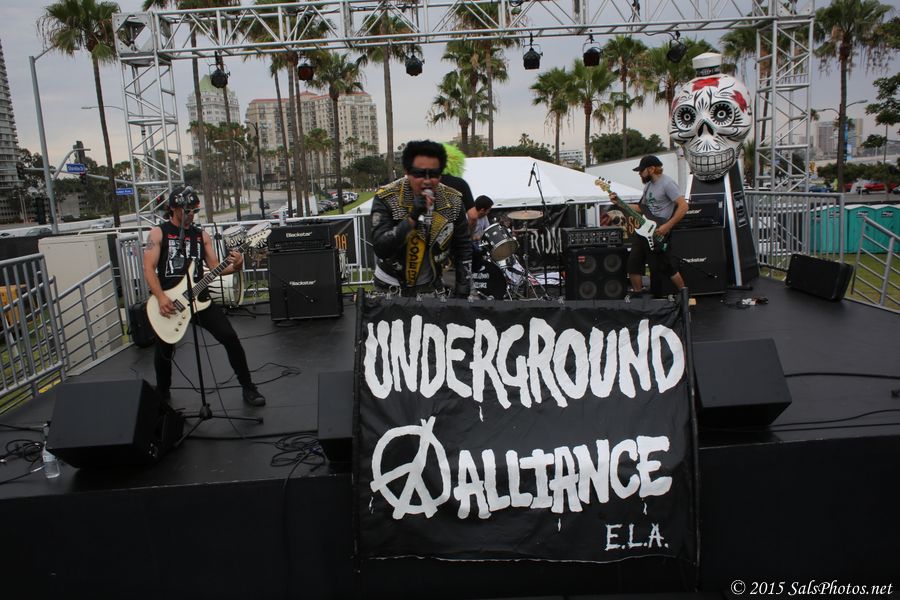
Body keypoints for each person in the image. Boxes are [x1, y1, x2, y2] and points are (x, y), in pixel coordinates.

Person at [143, 186, 265, 406]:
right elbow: (149, 268)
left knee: (229, 337)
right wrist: (161, 297)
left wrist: (238, 264)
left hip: (200, 298)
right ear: (173, 208)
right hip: (169, 301)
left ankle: (248, 387)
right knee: (164, 349)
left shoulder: (201, 236)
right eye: (187, 210)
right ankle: (162, 392)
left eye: (194, 211)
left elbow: (216, 267)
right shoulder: (158, 233)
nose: (191, 214)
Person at [371, 140, 472, 297]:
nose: (427, 181)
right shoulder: (387, 197)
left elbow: (463, 247)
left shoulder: (453, 200)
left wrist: (463, 291)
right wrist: (412, 218)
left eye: (434, 174)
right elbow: (381, 248)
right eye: (419, 174)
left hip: (431, 287)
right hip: (390, 287)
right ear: (407, 172)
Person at [604, 155, 688, 293]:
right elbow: (641, 208)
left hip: (659, 230)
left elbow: (684, 206)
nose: (639, 173)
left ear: (652, 169)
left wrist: (667, 226)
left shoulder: (667, 183)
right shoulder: (648, 186)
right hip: (644, 230)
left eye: (641, 170)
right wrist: (619, 203)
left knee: (667, 266)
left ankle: (684, 294)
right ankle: (638, 295)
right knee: (633, 263)